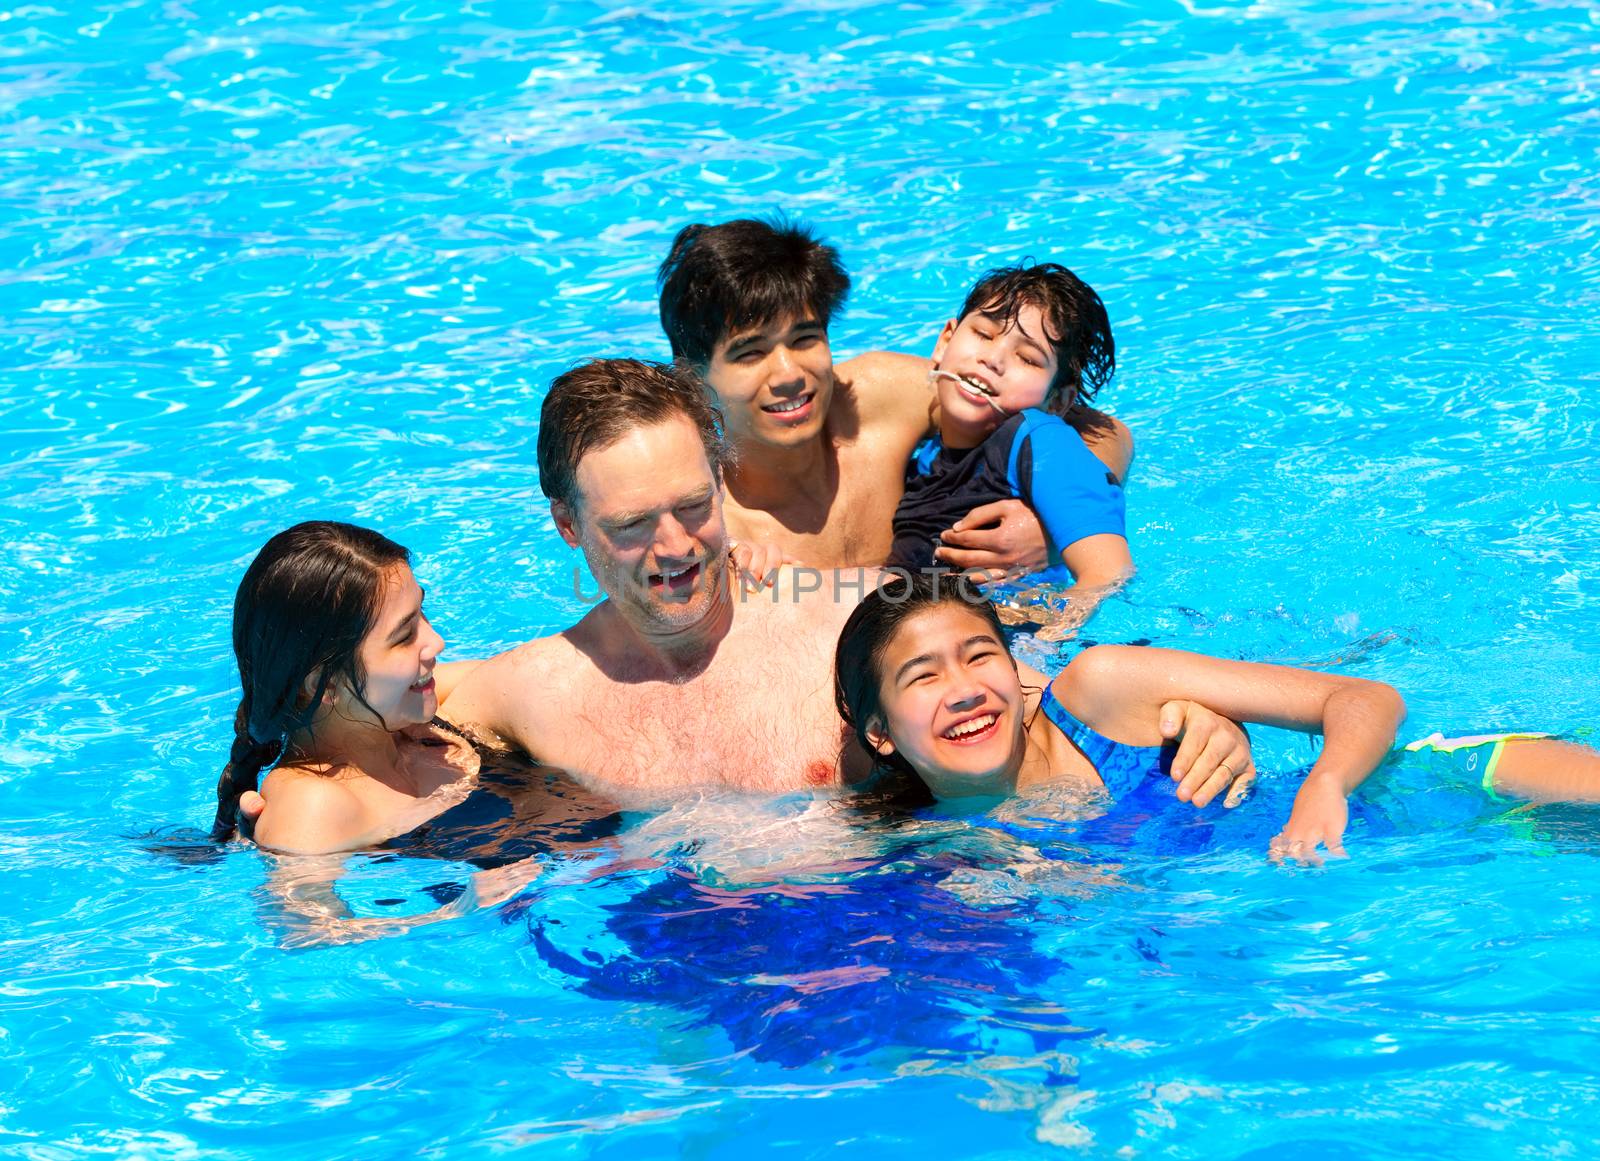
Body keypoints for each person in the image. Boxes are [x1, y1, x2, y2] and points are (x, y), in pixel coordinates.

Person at [437, 358, 1250, 802]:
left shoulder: (861, 612)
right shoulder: (525, 690)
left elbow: (1052, 688)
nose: (676, 545)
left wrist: (1185, 720)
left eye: (693, 505)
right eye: (632, 526)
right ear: (568, 526)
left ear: (722, 482)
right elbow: (351, 719)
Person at [834, 573, 1600, 860]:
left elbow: (1367, 698)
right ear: (879, 732)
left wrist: (1325, 784)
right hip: (1440, 870)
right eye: (923, 676)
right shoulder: (927, 849)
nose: (965, 688)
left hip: (1439, 782)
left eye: (979, 655)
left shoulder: (1099, 693)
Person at [656, 217, 1134, 576]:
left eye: (804, 340)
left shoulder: (878, 397)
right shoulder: (712, 526)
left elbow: (1104, 431)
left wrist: (1052, 526)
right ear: (693, 379)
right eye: (750, 353)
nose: (788, 375)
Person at [213, 521, 482, 855]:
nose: (436, 642)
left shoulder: (422, 713)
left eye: (421, 613)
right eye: (403, 636)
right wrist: (462, 906)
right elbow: (298, 907)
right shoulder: (315, 805)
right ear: (323, 685)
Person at [890, 261, 1132, 630]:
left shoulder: (1039, 440)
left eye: (1027, 358)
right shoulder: (926, 457)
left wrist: (1041, 639)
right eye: (984, 334)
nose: (993, 359)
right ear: (944, 341)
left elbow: (1110, 573)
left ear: (1057, 401)